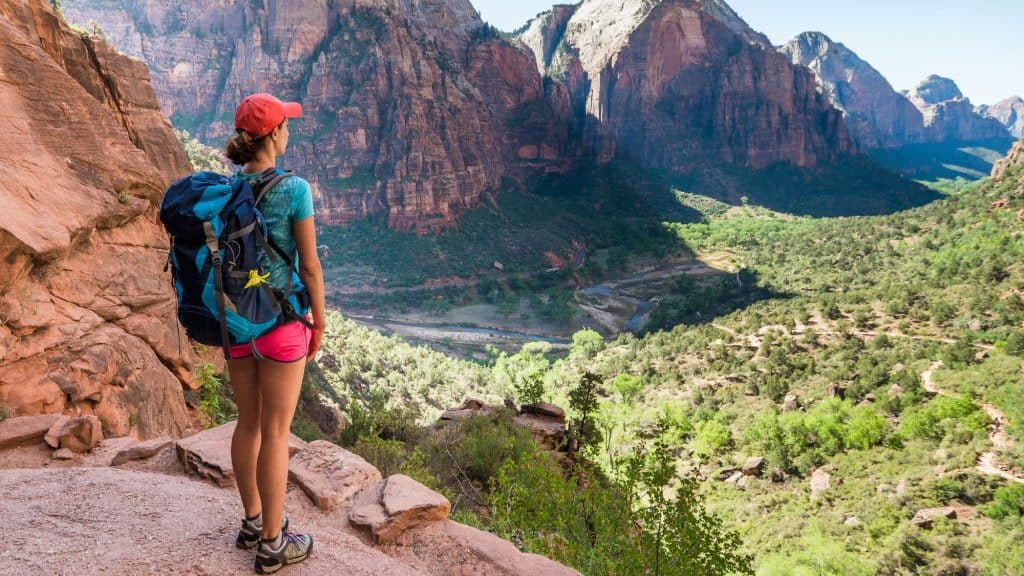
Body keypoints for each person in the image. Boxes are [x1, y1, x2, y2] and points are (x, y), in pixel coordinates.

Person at [223, 93, 326, 574]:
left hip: (237, 322)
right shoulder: (295, 188)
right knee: (277, 433)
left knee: (248, 424)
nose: (290, 130)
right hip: (283, 324)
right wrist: (319, 321)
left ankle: (251, 521)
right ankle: (273, 543)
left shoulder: (227, 186)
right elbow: (309, 265)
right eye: (286, 123)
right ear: (273, 134)